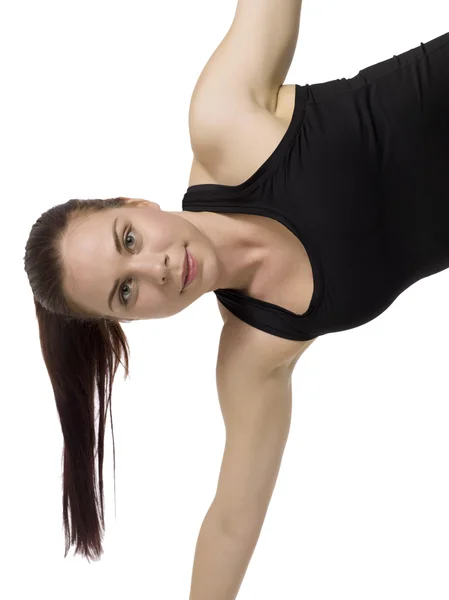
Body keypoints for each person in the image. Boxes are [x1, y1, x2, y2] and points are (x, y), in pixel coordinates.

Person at [23, 0, 449, 574]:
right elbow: (230, 522)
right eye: (126, 293)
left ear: (136, 204)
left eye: (129, 239)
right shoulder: (253, 356)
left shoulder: (224, 121)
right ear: (131, 321)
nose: (158, 269)